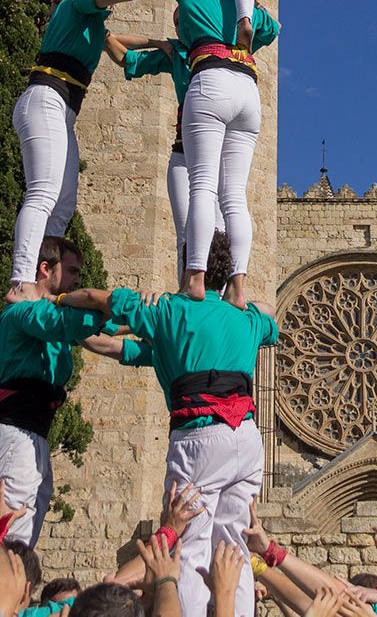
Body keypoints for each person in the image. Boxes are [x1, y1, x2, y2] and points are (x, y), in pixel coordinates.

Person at [58, 232, 278, 617]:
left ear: (187, 264)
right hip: (247, 440)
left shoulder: (168, 312)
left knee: (189, 545)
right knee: (234, 544)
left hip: (200, 438)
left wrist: (57, 300)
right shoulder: (246, 319)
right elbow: (269, 317)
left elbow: (99, 300)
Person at [105, 0, 279, 301]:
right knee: (235, 196)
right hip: (246, 85)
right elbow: (271, 28)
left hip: (210, 84)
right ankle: (238, 286)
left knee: (202, 189)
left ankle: (195, 281)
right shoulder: (241, 1)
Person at [10, 0, 144, 296]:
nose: (109, 5)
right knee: (43, 193)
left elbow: (122, 45)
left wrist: (160, 44)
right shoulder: (76, 3)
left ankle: (45, 283)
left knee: (64, 204)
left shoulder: (95, 27)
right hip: (45, 98)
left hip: (63, 111)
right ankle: (21, 279)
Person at [0, 240, 113, 546]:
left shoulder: (41, 318)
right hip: (16, 435)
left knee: (7, 541)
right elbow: (69, 324)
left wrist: (154, 321)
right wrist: (111, 302)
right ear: (45, 269)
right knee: (8, 547)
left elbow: (103, 333)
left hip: (23, 434)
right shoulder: (26, 313)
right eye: (72, 271)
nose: (78, 279)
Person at [104, 15, 222, 281]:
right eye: (177, 22)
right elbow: (126, 58)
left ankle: (222, 297)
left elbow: (270, 29)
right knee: (185, 232)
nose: (181, 26)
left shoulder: (224, 46)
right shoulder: (178, 54)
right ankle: (187, 292)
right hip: (183, 152)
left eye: (186, 18)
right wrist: (158, 42)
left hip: (215, 154)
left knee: (219, 228)